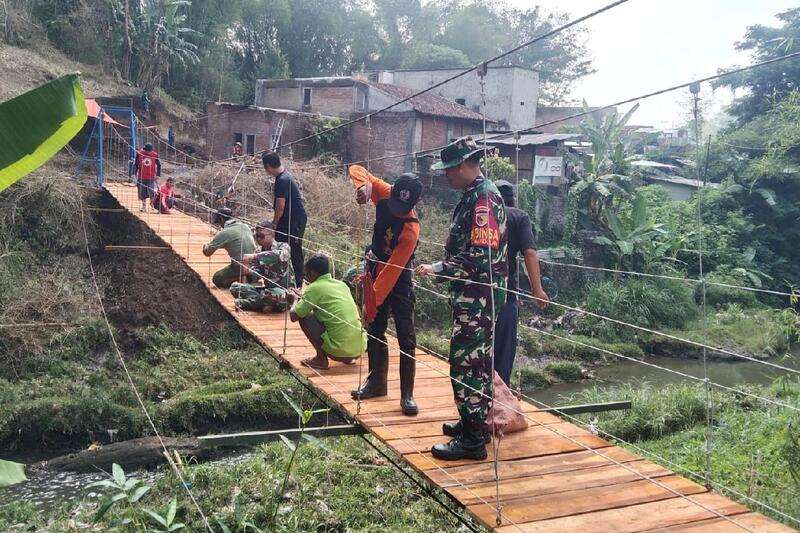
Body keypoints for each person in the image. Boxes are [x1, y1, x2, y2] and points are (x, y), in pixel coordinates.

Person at [416, 137, 507, 461]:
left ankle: (472, 440)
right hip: (473, 296)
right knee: (475, 362)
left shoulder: (483, 199)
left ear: (464, 165)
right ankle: (473, 424)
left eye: (449, 170)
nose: (446, 176)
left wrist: (439, 268)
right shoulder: (474, 195)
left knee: (467, 363)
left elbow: (481, 256)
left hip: (478, 297)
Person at [348, 166, 422, 416]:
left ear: (413, 204)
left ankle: (407, 394)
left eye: (402, 208)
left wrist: (372, 300)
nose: (395, 211)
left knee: (406, 335)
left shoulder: (411, 229)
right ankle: (376, 382)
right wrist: (364, 187)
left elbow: (392, 271)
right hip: (375, 266)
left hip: (399, 276)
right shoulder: (383, 191)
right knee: (375, 329)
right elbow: (357, 169)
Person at [492, 180, 549, 386]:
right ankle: (500, 396)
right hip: (507, 294)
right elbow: (530, 253)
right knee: (503, 352)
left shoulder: (483, 213)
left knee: (479, 350)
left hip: (478, 293)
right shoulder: (519, 217)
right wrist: (537, 290)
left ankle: (476, 396)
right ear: (512, 199)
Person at [288, 253, 367, 369]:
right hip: (359, 348)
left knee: (305, 316)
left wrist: (295, 300)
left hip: (338, 351)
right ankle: (349, 358)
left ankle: (321, 359)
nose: (307, 278)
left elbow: (294, 316)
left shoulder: (314, 288)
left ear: (312, 273)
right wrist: (304, 296)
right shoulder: (341, 285)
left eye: (307, 274)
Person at [262, 152, 307, 288]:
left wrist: (274, 224)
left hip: (294, 221)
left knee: (293, 250)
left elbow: (280, 207)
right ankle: (283, 278)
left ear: (268, 166)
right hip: (289, 219)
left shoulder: (282, 180)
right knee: (283, 246)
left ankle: (298, 284)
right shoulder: (284, 176)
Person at [230, 221, 292, 312]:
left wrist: (255, 256)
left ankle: (248, 303)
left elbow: (279, 255)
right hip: (267, 290)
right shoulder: (258, 251)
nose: (259, 239)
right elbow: (256, 276)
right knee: (235, 287)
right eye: (257, 236)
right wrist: (249, 271)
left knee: (277, 296)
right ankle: (264, 303)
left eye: (262, 236)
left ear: (272, 234)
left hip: (283, 291)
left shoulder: (283, 246)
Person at [202, 207, 258, 289]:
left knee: (217, 278)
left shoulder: (224, 233)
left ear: (221, 219)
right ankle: (253, 275)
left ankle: (242, 278)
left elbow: (207, 253)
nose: (219, 224)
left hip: (240, 266)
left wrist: (205, 246)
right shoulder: (245, 226)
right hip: (254, 264)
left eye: (219, 221)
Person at [135, 142, 161, 212]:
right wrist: (134, 173)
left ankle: (152, 205)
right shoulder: (139, 153)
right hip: (141, 176)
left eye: (148, 151)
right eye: (146, 150)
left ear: (151, 150)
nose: (147, 152)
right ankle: (144, 207)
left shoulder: (155, 155)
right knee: (142, 192)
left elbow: (159, 165)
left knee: (151, 191)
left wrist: (158, 175)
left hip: (151, 177)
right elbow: (136, 164)